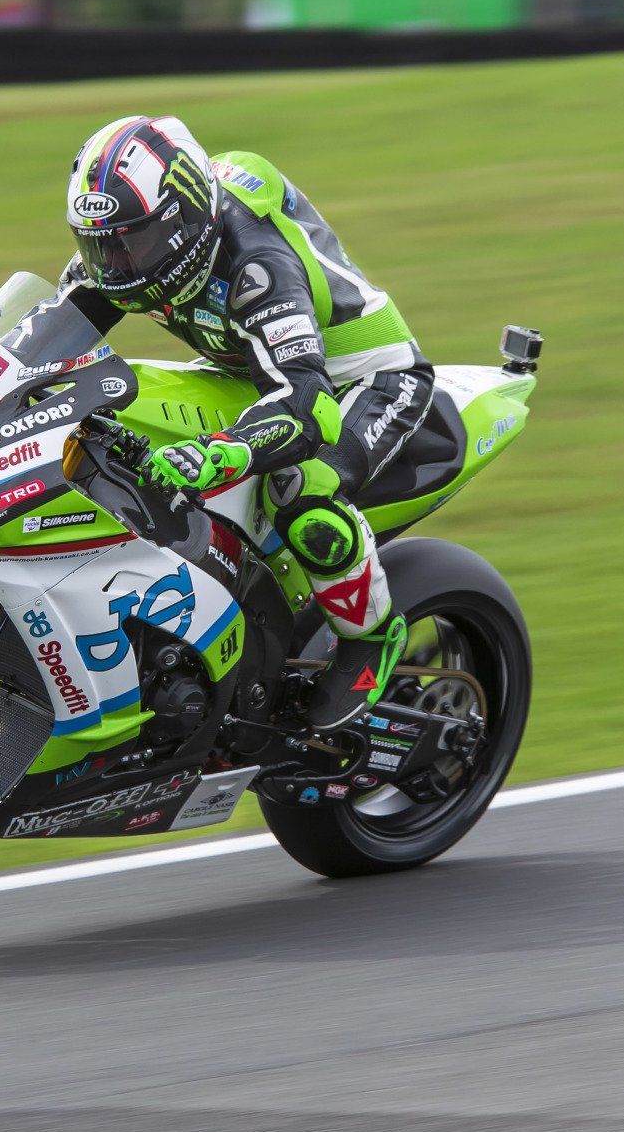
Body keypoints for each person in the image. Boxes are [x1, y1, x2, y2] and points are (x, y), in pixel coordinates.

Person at [33, 115, 434, 727]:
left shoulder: (257, 267)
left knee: (299, 491)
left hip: (358, 379)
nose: (113, 263)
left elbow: (307, 406)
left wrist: (215, 455)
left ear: (183, 223)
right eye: (99, 244)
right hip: (251, 366)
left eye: (131, 242)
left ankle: (372, 637)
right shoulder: (132, 251)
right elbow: (45, 339)